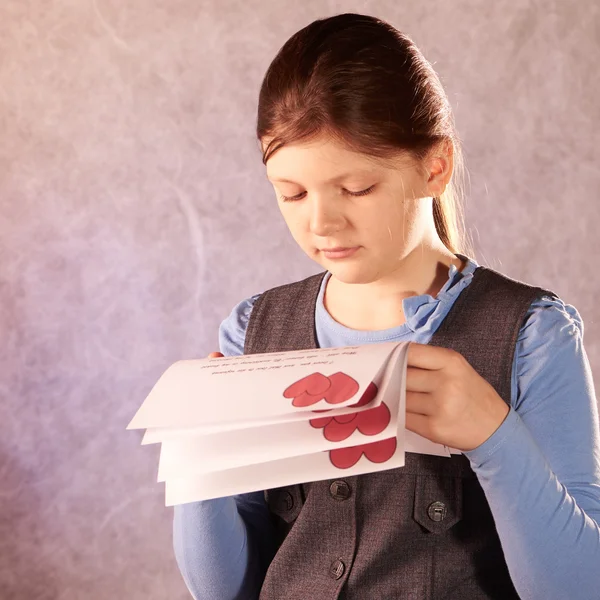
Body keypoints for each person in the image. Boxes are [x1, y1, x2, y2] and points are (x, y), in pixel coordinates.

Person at [172, 12, 600, 600]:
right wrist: (204, 459)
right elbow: (220, 591)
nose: (321, 222)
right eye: (291, 193)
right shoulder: (252, 332)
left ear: (435, 165)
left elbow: (575, 589)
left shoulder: (532, 337)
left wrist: (493, 437)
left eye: (356, 189)